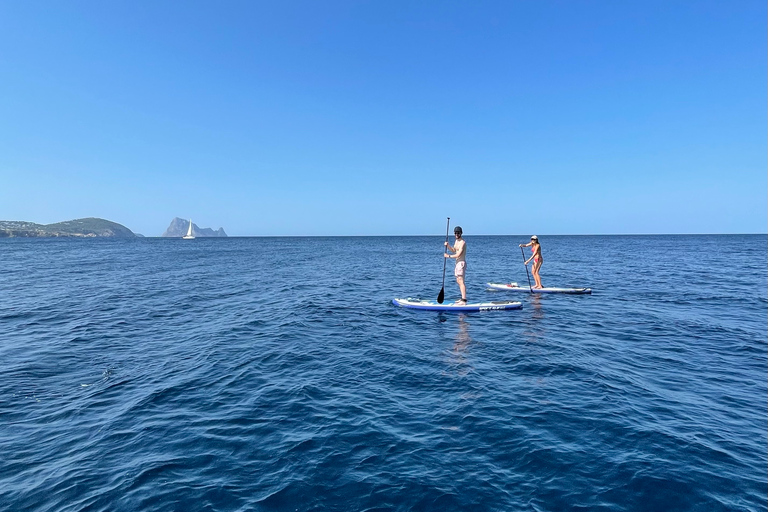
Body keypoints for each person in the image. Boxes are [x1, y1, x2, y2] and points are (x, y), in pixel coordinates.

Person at [445, 226, 467, 303]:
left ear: (461, 233)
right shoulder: (456, 241)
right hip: (457, 263)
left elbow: (458, 255)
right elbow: (454, 250)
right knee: (458, 281)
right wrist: (448, 246)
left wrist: (448, 256)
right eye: (455, 233)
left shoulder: (462, 243)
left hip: (461, 263)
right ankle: (462, 298)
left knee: (461, 281)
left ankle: (464, 300)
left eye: (458, 233)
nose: (457, 234)